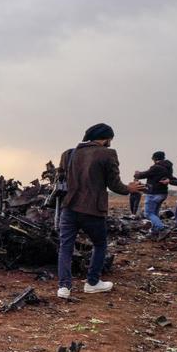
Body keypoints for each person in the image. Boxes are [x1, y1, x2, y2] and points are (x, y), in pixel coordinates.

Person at [56, 123, 145, 299]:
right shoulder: (108, 153)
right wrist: (130, 188)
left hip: (69, 207)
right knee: (100, 244)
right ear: (106, 138)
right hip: (93, 209)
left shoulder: (68, 153)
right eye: (110, 139)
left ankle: (64, 288)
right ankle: (92, 283)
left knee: (65, 247)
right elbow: (114, 184)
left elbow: (60, 178)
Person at [134, 151, 174, 238]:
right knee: (155, 213)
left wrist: (137, 174)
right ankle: (154, 232)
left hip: (153, 193)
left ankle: (162, 229)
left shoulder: (156, 167)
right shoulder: (168, 167)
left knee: (148, 213)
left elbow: (144, 174)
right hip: (163, 193)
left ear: (155, 158)